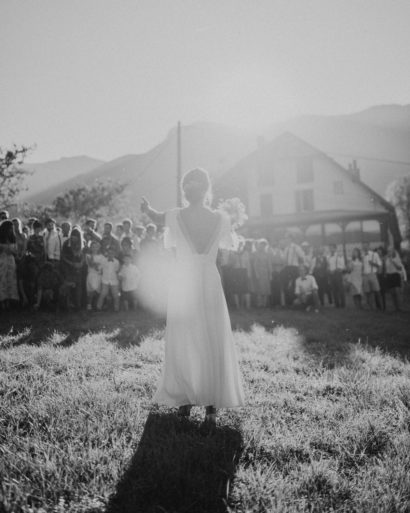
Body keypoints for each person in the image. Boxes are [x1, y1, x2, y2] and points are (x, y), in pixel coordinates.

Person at [141, 167, 245, 429]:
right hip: (209, 280)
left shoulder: (175, 216)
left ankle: (185, 402)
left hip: (184, 281)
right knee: (212, 337)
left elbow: (154, 215)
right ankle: (211, 409)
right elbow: (231, 248)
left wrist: (147, 208)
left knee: (185, 338)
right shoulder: (220, 219)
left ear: (184, 191)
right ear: (207, 190)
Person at [0, 220, 18, 310]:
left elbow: (16, 251)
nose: (11, 230)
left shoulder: (13, 238)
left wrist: (11, 251)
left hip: (11, 261)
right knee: (2, 280)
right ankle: (2, 301)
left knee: (11, 280)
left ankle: (9, 301)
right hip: (2, 260)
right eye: (10, 228)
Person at [96, 246, 120, 312]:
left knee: (115, 295)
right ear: (107, 253)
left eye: (112, 253)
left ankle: (116, 308)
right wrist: (97, 269)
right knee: (103, 293)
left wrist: (118, 279)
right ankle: (98, 307)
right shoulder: (103, 260)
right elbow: (99, 268)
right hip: (105, 280)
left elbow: (117, 271)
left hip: (114, 280)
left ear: (114, 254)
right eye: (109, 253)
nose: (110, 254)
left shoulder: (116, 262)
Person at [362, 243, 382, 310]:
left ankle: (379, 306)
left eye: (366, 246)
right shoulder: (362, 255)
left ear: (368, 246)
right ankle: (371, 307)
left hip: (372, 274)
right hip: (365, 275)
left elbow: (379, 264)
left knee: (377, 290)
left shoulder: (374, 254)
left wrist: (372, 263)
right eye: (363, 246)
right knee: (368, 292)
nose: (364, 247)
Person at [85, 240, 104, 311]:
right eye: (93, 247)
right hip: (91, 274)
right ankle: (89, 305)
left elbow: (102, 266)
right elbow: (91, 264)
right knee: (91, 290)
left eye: (96, 247)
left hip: (99, 275)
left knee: (98, 290)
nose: (94, 248)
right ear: (90, 248)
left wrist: (98, 265)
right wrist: (96, 264)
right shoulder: (88, 255)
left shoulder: (101, 256)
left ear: (98, 248)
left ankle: (96, 305)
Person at [326, 244, 346, 308]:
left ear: (335, 249)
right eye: (330, 248)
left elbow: (342, 266)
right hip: (331, 275)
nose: (331, 249)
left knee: (340, 290)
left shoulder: (339, 255)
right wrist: (329, 270)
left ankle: (343, 304)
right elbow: (328, 266)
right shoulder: (328, 256)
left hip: (337, 274)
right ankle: (337, 304)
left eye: (332, 248)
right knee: (334, 290)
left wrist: (337, 270)